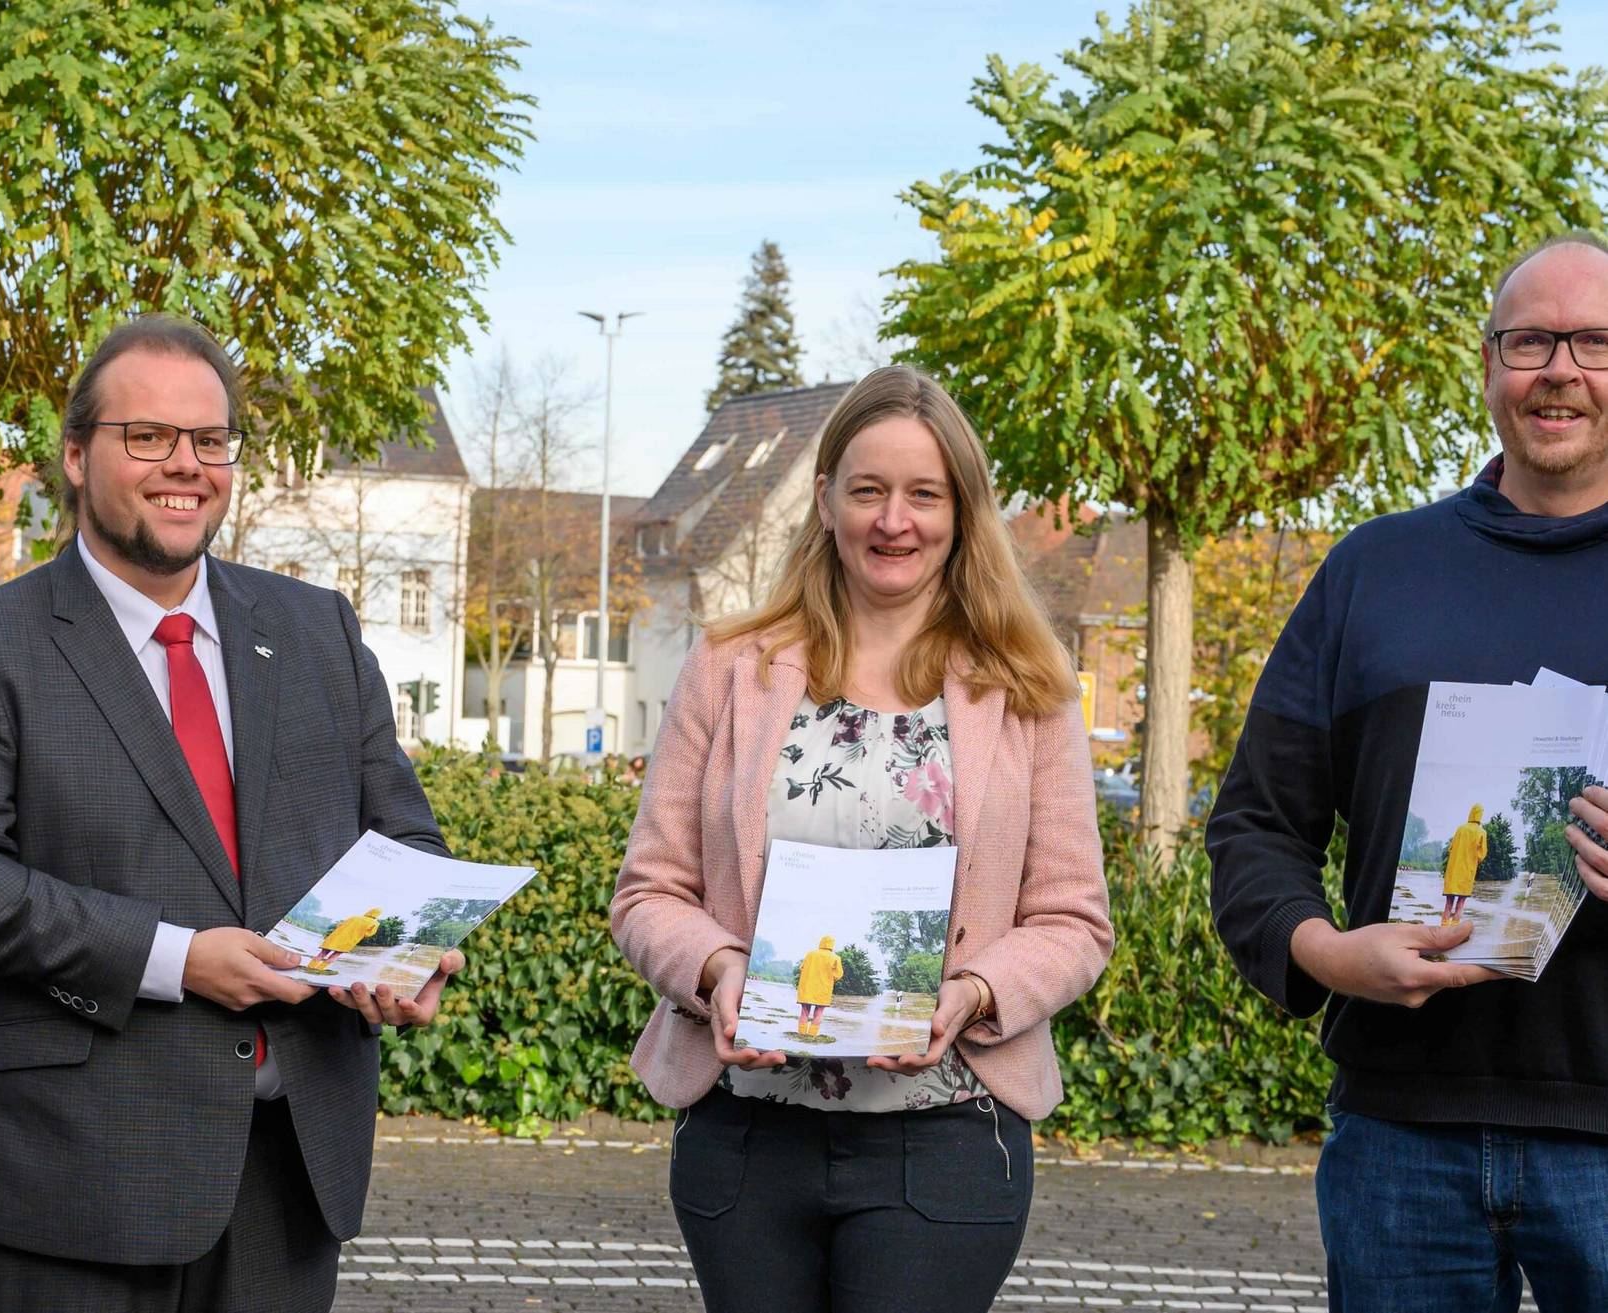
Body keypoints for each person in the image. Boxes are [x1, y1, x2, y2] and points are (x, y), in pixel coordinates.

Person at [0, 313, 461, 1313]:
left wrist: (408, 951)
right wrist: (174, 955)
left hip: (286, 1165)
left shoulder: (317, 629)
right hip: (63, 1169)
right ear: (75, 455)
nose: (184, 465)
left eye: (210, 439)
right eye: (147, 436)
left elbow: (402, 836)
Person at [610, 365, 1113, 1313]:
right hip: (749, 1139)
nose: (895, 520)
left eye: (924, 494)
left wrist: (972, 992)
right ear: (824, 497)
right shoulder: (729, 669)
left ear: (963, 511)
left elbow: (1075, 920)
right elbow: (647, 893)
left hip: (948, 1140)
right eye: (869, 489)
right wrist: (721, 973)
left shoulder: (1029, 686)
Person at [1208, 231, 1608, 1313]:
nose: (1561, 369)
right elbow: (1255, 823)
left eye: (1595, 343)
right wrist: (1327, 953)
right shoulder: (1374, 572)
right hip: (1399, 1134)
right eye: (1530, 342)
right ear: (1487, 367)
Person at [1442, 805, 1489, 926]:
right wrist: (1473, 859)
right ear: (1480, 815)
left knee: (1448, 902)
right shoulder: (1481, 832)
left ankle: (1443, 926)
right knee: (1461, 902)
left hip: (1453, 870)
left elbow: (1450, 848)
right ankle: (1454, 926)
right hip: (1467, 871)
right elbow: (1482, 854)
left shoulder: (1460, 829)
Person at [307, 907, 382, 972]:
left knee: (322, 954)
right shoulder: (375, 923)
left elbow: (339, 925)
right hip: (348, 941)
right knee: (334, 956)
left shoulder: (355, 917)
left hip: (336, 938)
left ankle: (310, 967)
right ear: (378, 914)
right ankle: (319, 969)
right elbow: (368, 934)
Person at [794, 935, 842, 1037]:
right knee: (819, 1012)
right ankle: (812, 1035)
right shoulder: (835, 957)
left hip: (807, 987)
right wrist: (828, 976)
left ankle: (801, 1034)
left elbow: (801, 967)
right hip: (823, 989)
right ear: (832, 944)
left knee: (804, 1012)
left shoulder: (811, 954)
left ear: (821, 942)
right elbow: (838, 975)